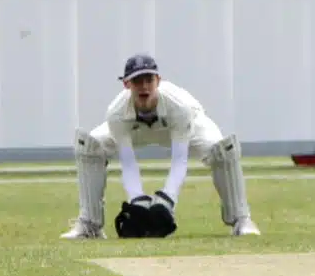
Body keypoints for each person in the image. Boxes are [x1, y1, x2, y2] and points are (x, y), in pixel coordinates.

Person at [65, 52, 254, 239]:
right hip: (135, 129)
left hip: (189, 126)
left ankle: (241, 219)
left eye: (149, 80)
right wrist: (137, 199)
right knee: (90, 146)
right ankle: (89, 225)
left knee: (222, 150)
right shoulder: (116, 113)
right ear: (126, 84)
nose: (144, 87)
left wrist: (167, 199)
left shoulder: (179, 106)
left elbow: (180, 159)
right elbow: (128, 162)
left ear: (158, 81)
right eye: (137, 81)